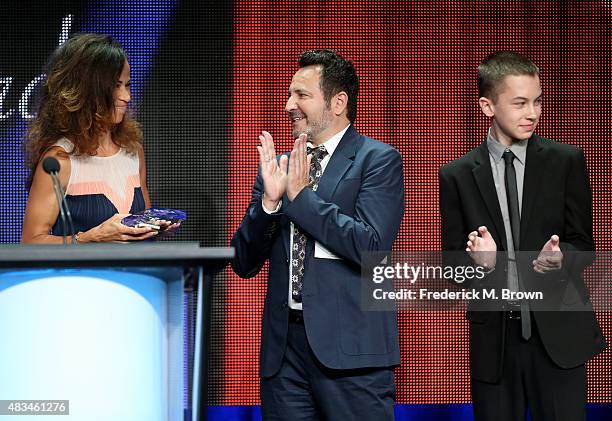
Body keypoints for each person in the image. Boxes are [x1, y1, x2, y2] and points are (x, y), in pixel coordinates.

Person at [231, 49, 404, 420]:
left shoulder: (377, 159)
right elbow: (243, 262)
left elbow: (369, 244)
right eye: (289, 94)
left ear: (338, 102)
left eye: (302, 95)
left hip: (351, 354)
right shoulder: (280, 167)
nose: (289, 104)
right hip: (284, 356)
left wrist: (300, 198)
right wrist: (270, 205)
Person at [439, 51, 606, 420]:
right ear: (487, 106)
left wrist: (561, 260)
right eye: (520, 103)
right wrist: (480, 265)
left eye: (537, 101)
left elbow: (584, 246)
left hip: (558, 339)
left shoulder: (566, 161)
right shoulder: (457, 175)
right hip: (496, 346)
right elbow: (452, 272)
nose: (533, 113)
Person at [22, 33, 160, 243]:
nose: (126, 97)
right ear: (87, 90)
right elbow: (31, 242)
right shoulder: (59, 161)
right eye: (115, 86)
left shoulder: (134, 151)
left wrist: (157, 226)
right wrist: (89, 238)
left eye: (127, 84)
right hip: (83, 276)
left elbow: (143, 227)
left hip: (135, 275)